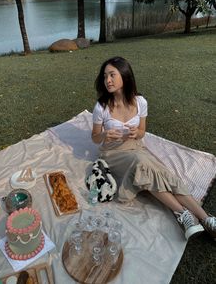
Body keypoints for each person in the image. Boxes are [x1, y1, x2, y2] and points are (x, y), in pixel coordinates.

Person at [91, 56, 216, 240]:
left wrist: (137, 133)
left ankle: (206, 219)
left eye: (112, 75)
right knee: (142, 164)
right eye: (105, 76)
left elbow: (142, 131)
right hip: (113, 153)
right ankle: (182, 213)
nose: (107, 80)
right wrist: (104, 135)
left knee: (164, 174)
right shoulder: (101, 107)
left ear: (125, 76)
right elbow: (95, 138)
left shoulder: (140, 102)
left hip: (135, 146)